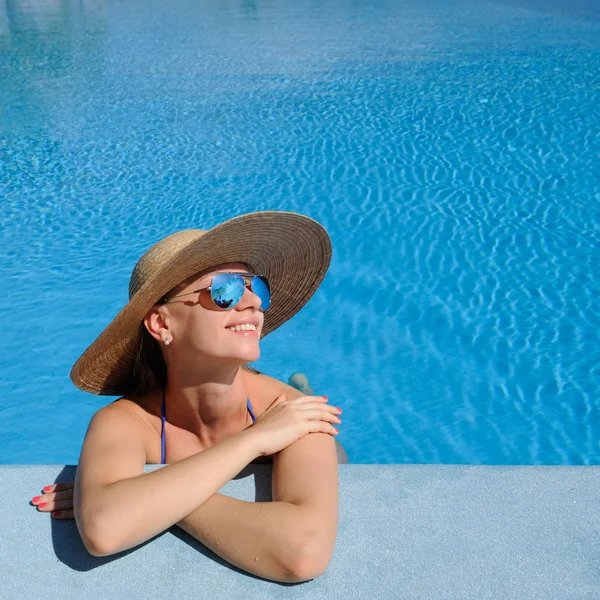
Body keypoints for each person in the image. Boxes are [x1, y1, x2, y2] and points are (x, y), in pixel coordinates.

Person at [31, 211, 343, 583]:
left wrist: (147, 498)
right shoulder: (125, 420)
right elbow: (104, 530)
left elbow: (302, 554)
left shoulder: (291, 412)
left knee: (338, 450)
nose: (253, 303)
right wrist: (254, 440)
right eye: (224, 290)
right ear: (162, 324)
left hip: (309, 423)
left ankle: (303, 383)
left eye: (255, 287)